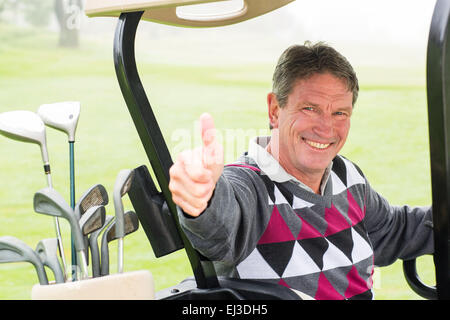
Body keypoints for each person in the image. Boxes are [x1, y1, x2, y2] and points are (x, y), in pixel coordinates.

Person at [168, 42, 434, 300]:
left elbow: (393, 229)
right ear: (274, 110)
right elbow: (220, 230)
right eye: (310, 109)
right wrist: (204, 199)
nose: (326, 128)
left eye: (340, 113)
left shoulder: (346, 175)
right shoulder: (249, 184)